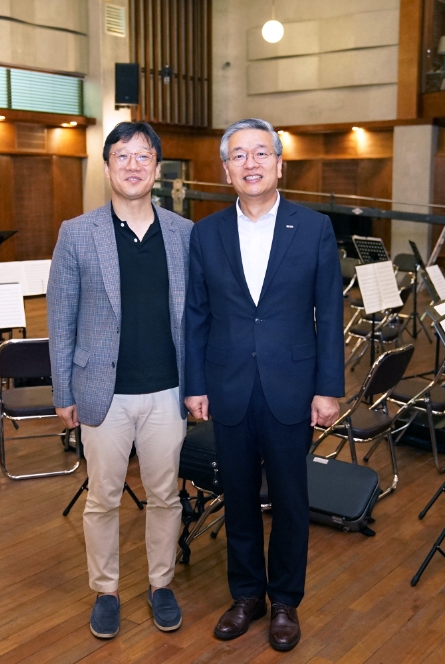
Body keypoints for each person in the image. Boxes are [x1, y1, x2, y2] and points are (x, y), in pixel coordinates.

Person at [183, 118, 344, 652]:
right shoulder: (205, 233)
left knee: (292, 500)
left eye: (260, 153)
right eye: (238, 156)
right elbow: (197, 315)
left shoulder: (315, 227)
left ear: (279, 163)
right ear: (225, 169)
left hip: (291, 386)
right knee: (239, 497)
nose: (250, 164)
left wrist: (328, 388)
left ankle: (284, 603)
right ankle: (247, 595)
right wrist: (195, 384)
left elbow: (328, 311)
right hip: (227, 385)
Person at [47, 121, 193, 639]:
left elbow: (196, 317)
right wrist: (62, 392)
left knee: (165, 497)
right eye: (123, 156)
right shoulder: (77, 232)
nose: (133, 165)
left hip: (167, 391)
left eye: (143, 156)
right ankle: (105, 591)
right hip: (100, 394)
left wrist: (198, 384)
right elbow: (60, 317)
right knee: (103, 498)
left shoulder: (183, 233)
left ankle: (160, 583)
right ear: (107, 166)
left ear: (156, 168)